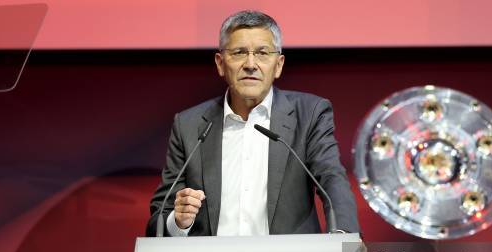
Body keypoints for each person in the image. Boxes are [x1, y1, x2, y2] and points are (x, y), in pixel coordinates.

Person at [146, 10, 359, 237]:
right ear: (220, 63)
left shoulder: (309, 114)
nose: (250, 64)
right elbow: (159, 218)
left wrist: (344, 237)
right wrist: (178, 221)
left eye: (262, 53)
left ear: (278, 65)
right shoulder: (189, 125)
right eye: (239, 53)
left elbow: (331, 179)